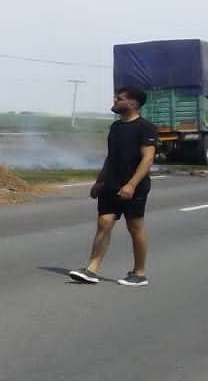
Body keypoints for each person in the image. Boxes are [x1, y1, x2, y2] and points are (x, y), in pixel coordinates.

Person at [68, 87, 158, 287]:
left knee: (135, 227)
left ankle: (139, 273)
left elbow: (148, 158)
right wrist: (99, 182)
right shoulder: (116, 127)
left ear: (133, 104)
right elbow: (111, 157)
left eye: (120, 98)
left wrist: (132, 185)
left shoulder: (146, 128)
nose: (115, 100)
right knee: (104, 223)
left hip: (134, 185)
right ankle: (91, 270)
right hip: (111, 183)